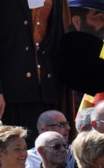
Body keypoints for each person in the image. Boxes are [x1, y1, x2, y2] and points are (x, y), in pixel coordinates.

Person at [0, 1, 71, 148]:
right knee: (12, 157)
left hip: (47, 94)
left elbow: (60, 42)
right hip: (10, 96)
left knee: (49, 159)